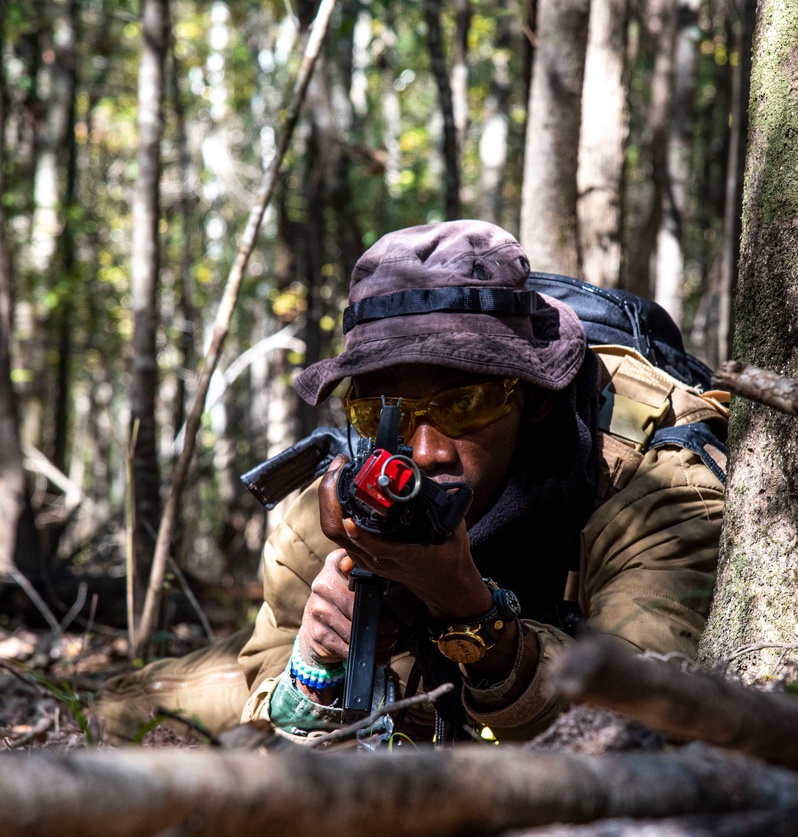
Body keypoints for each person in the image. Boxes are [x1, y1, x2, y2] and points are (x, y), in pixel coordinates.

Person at [235, 220, 726, 743]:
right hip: (416, 700)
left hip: (539, 711)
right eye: (385, 412)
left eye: (465, 404)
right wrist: (317, 671)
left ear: (534, 397)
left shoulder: (660, 494)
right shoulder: (331, 519)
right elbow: (264, 716)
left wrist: (474, 617)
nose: (425, 452)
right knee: (145, 702)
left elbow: (634, 726)